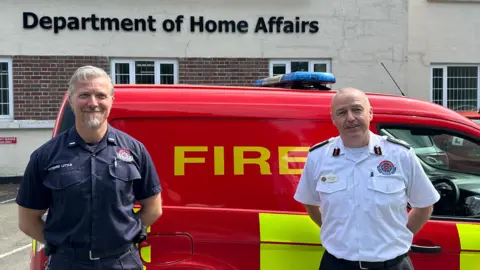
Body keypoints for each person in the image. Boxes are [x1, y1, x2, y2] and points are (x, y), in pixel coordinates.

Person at [16, 65, 163, 270]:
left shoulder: (134, 151)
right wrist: (63, 246)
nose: (93, 103)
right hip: (67, 264)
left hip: (122, 263)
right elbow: (27, 221)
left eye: (100, 95)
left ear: (111, 101)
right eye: (84, 95)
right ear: (72, 101)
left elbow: (154, 208)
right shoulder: (46, 156)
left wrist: (124, 237)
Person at [293, 88, 440, 270]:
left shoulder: (400, 155)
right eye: (342, 112)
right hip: (338, 265)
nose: (350, 118)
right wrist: (337, 232)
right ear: (333, 119)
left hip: (392, 265)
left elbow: (424, 205)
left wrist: (398, 236)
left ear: (370, 113)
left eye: (356, 110)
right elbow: (311, 204)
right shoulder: (319, 157)